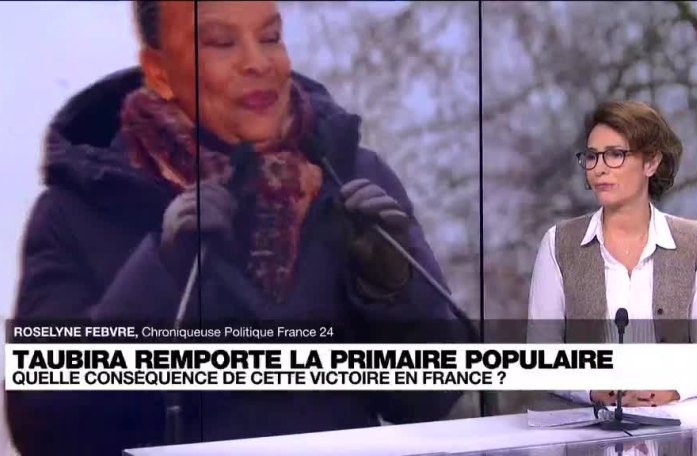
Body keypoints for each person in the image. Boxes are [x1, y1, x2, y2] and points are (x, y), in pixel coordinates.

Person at [6, 1, 471, 454]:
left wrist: (393, 291)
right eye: (221, 42)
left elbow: (434, 395)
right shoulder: (76, 208)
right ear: (160, 71)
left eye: (270, 37)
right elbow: (45, 432)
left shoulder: (349, 174)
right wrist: (161, 276)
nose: (257, 63)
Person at [526, 100, 697, 409]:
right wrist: (591, 389)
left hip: (677, 426)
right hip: (588, 428)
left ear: (651, 163)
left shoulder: (695, 243)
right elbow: (541, 355)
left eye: (615, 154)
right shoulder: (559, 244)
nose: (599, 168)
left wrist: (673, 389)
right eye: (592, 156)